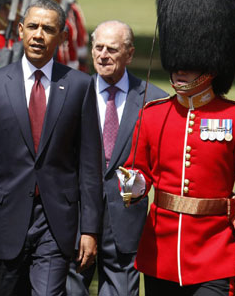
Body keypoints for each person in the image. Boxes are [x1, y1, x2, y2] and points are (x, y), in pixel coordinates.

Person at [118, 0, 235, 295]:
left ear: (211, 64)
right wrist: (133, 183)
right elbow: (138, 173)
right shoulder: (154, 115)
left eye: (191, 65)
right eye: (178, 64)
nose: (181, 70)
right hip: (160, 251)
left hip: (216, 254)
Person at [0, 0, 103, 295]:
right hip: (5, 218)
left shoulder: (79, 85)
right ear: (21, 30)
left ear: (62, 37)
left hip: (56, 220)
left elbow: (89, 162)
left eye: (48, 29)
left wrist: (89, 229)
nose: (39, 35)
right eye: (33, 27)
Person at [66, 20, 167, 295]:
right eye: (98, 47)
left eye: (112, 49)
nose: (102, 55)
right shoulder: (72, 93)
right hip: (76, 217)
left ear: (130, 54)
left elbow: (164, 165)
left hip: (126, 221)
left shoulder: (154, 100)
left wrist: (142, 184)